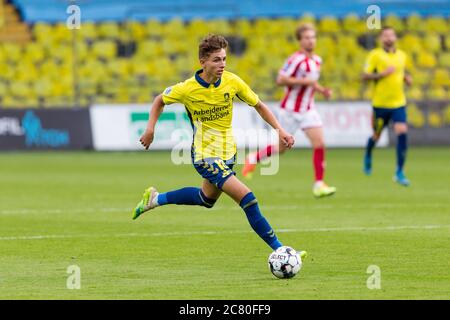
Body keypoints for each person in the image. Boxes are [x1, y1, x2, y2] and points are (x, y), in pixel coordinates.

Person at [132, 34, 306, 257]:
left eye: (224, 59)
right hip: (205, 156)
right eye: (216, 60)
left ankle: (155, 199)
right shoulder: (187, 89)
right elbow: (159, 100)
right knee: (248, 198)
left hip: (228, 153)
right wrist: (150, 128)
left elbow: (259, 105)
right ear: (203, 62)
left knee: (206, 199)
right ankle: (282, 250)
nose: (222, 64)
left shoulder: (232, 82)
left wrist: (280, 130)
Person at [242, 23, 336, 198]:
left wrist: (322, 90)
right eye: (307, 37)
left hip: (308, 109)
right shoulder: (296, 59)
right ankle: (253, 158)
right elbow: (281, 79)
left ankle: (319, 184)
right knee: (282, 148)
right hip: (290, 110)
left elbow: (311, 81)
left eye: (313, 37)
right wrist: (303, 82)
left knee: (320, 143)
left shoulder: (317, 60)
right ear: (300, 41)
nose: (311, 40)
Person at [362, 26, 413, 186]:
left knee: (402, 132)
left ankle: (399, 171)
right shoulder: (375, 55)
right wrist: (382, 74)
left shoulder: (402, 56)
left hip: (398, 103)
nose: (389, 38)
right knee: (376, 136)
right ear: (381, 39)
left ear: (395, 38)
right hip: (380, 104)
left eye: (391, 35)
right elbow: (365, 75)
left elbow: (402, 72)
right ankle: (368, 154)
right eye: (385, 35)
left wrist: (406, 78)